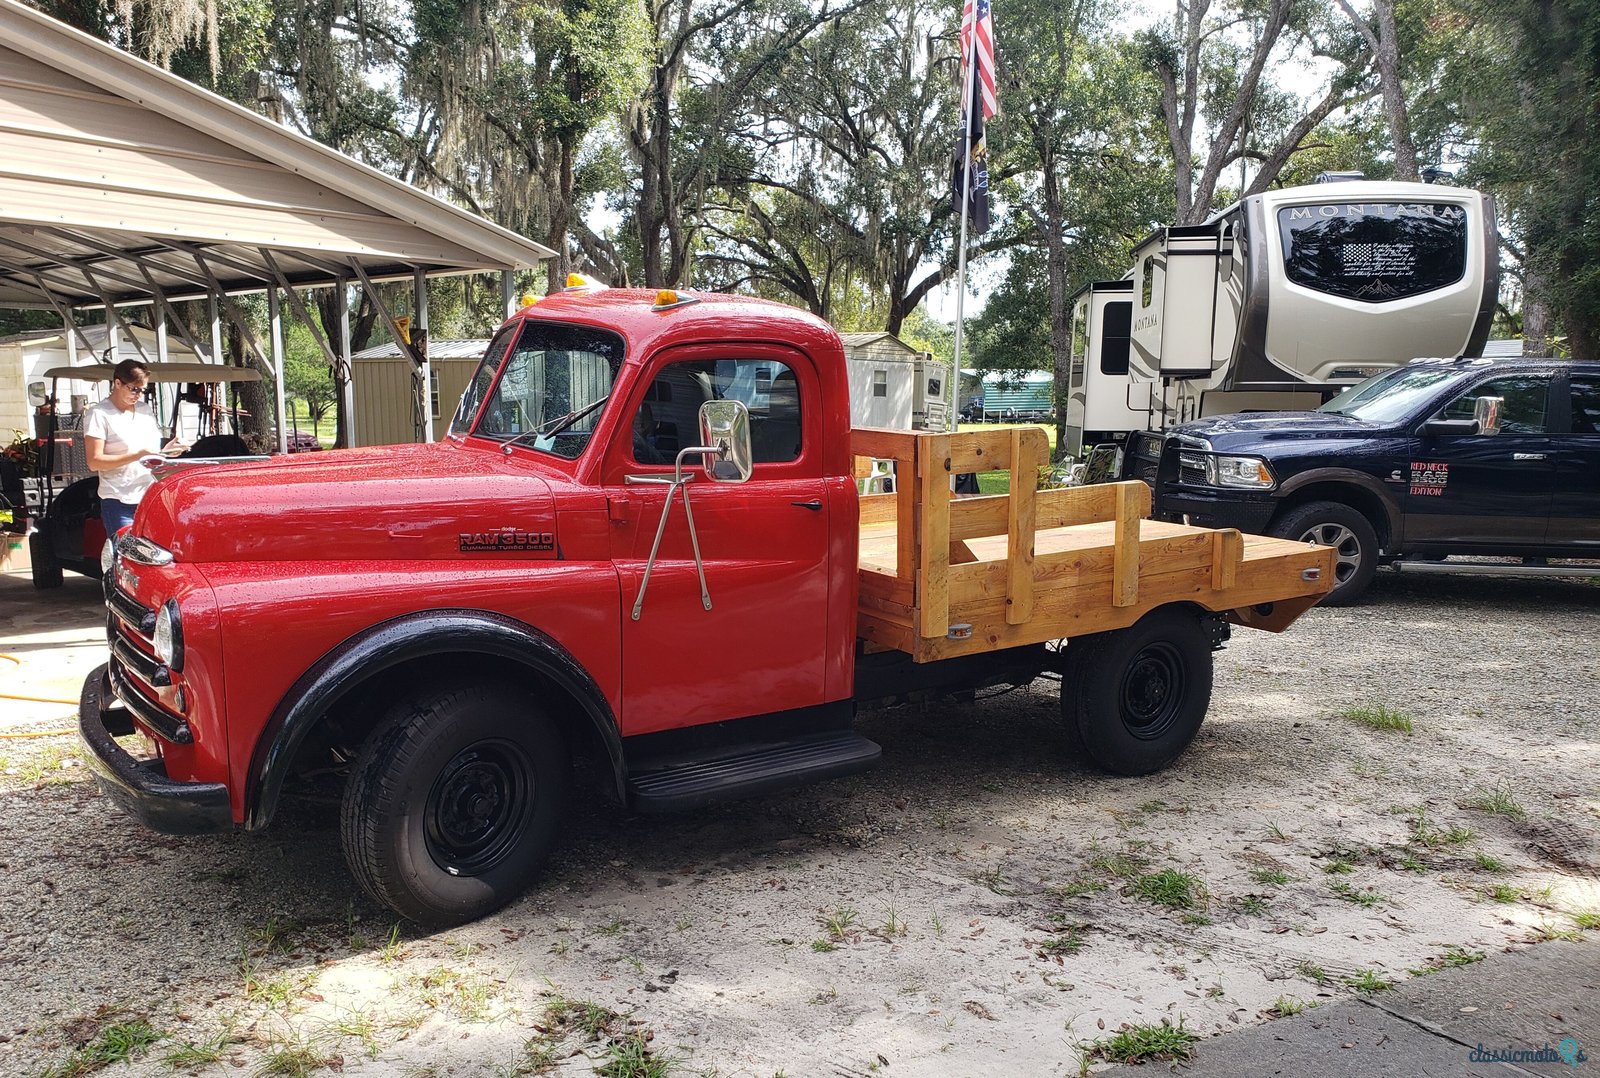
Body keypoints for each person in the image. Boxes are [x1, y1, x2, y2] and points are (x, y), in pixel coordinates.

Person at [83, 359, 181, 538]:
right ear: (117, 383)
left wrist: (166, 452)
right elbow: (94, 462)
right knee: (127, 552)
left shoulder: (144, 410)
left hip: (150, 496)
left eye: (143, 390)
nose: (138, 395)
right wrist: (137, 455)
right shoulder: (99, 414)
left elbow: (150, 451)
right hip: (119, 500)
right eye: (134, 389)